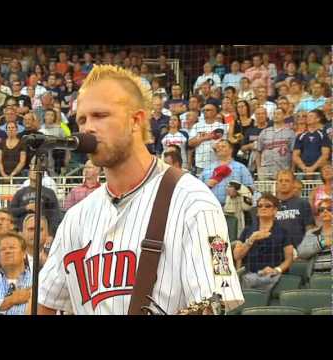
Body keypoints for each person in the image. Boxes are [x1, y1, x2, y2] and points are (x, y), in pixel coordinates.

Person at [38, 65, 243, 315]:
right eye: (82, 119)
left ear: (136, 120)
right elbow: (44, 302)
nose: (88, 128)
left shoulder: (195, 201)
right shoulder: (76, 218)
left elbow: (217, 300)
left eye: (100, 115)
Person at [234, 193, 294, 295]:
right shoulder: (248, 230)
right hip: (250, 276)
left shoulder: (283, 231)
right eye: (260, 206)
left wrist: (277, 270)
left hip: (273, 276)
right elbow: (237, 255)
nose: (263, 208)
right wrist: (251, 240)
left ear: (275, 210)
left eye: (267, 206)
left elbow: (289, 258)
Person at [10, 160, 61, 234]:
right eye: (33, 170)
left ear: (42, 174)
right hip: (23, 232)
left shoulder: (49, 193)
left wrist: (50, 234)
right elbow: (11, 212)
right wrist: (26, 208)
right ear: (29, 173)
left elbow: (55, 216)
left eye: (37, 170)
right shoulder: (20, 193)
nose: (35, 172)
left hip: (42, 231)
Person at [199, 140, 254, 206]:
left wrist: (237, 192)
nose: (219, 148)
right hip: (211, 207)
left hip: (234, 207)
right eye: (218, 147)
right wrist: (206, 185)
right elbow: (198, 189)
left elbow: (251, 188)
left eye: (223, 146)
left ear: (231, 150)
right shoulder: (207, 169)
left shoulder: (240, 167)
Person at [274, 170, 316, 249]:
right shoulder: (270, 205)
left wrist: (305, 249)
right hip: (275, 252)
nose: (283, 183)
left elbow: (309, 230)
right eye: (280, 180)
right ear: (276, 184)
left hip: (299, 252)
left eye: (287, 181)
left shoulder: (303, 203)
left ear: (293, 183)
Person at [256, 108, 296, 180]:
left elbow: (293, 153)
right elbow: (258, 151)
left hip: (283, 170)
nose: (276, 116)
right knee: (265, 191)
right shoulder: (264, 132)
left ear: (284, 116)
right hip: (266, 170)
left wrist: (292, 169)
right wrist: (259, 168)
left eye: (278, 114)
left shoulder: (290, 133)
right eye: (274, 114)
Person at [188, 103, 227, 176]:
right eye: (204, 110)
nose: (205, 112)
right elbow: (190, 143)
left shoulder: (221, 126)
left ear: (215, 112)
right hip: (200, 164)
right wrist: (205, 138)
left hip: (217, 163)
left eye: (208, 110)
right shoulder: (197, 125)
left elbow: (224, 145)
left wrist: (200, 138)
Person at [297, 198, 332, 273]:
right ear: (319, 214)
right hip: (315, 277)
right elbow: (301, 253)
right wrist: (322, 243)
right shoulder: (312, 233)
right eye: (322, 209)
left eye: (329, 209)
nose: (325, 211)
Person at [292, 110, 331, 176]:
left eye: (311, 116)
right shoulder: (300, 136)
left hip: (319, 172)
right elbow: (295, 155)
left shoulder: (323, 135)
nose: (308, 118)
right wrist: (304, 168)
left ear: (318, 119)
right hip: (302, 171)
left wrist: (312, 168)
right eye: (307, 116)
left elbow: (325, 155)